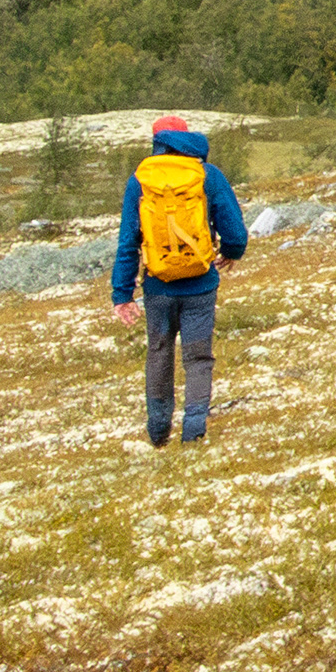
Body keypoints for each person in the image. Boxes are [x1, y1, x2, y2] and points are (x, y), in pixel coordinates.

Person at [108, 115, 248, 447]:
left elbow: (128, 241)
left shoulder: (140, 181)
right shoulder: (207, 176)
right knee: (198, 357)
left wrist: (122, 294)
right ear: (185, 139)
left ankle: (158, 431)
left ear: (156, 141)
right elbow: (235, 232)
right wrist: (230, 252)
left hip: (157, 286)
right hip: (200, 284)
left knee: (159, 352)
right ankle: (194, 430)